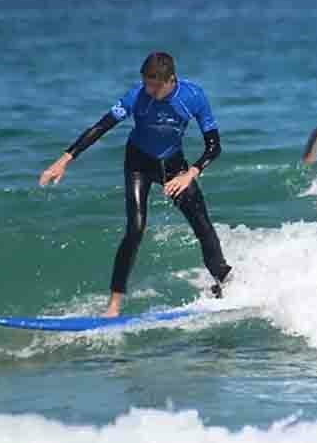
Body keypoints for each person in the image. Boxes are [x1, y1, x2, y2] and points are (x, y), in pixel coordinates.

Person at [38, 52, 233, 316]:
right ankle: (114, 304)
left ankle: (224, 281)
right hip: (138, 164)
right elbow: (101, 126)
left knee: (202, 225)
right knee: (135, 229)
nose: (149, 91)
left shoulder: (193, 97)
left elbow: (214, 145)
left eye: (154, 86)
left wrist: (190, 174)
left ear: (170, 80)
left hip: (174, 166)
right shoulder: (137, 95)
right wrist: (64, 160)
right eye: (146, 84)